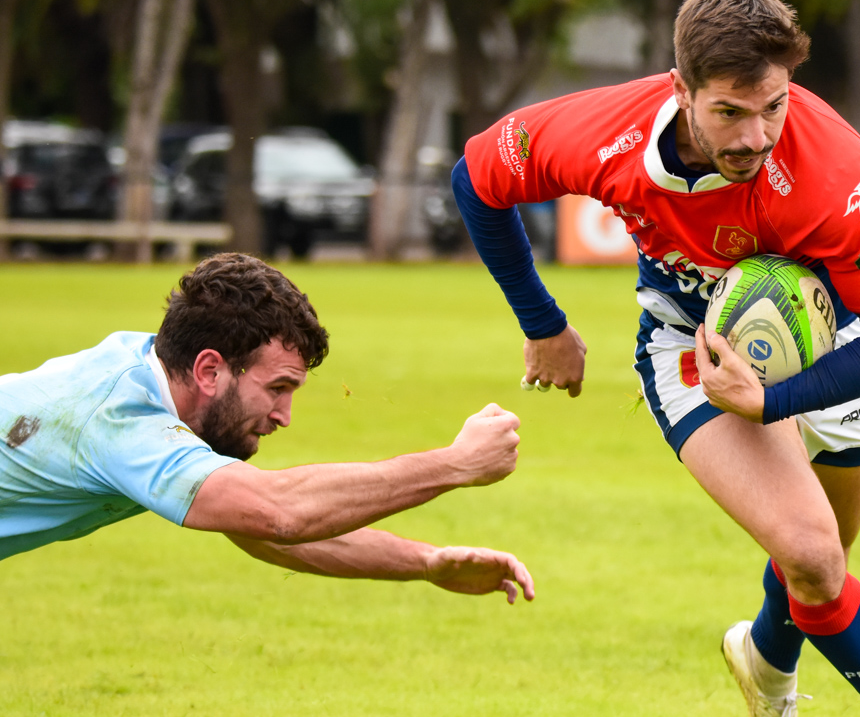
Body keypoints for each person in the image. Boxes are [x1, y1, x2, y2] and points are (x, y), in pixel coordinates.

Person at [452, 0, 860, 717]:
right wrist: (543, 323)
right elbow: (476, 177)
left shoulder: (839, 175)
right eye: (731, 112)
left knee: (820, 563)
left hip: (830, 351)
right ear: (680, 91)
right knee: (812, 554)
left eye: (772, 106)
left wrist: (774, 399)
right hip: (685, 350)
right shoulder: (604, 135)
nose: (757, 134)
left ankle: (765, 662)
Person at [0, 253, 535, 604]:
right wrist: (455, 463)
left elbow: (260, 527)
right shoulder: (122, 422)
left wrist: (426, 562)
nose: (284, 415)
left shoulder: (150, 369)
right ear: (210, 369)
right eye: (277, 388)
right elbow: (277, 513)